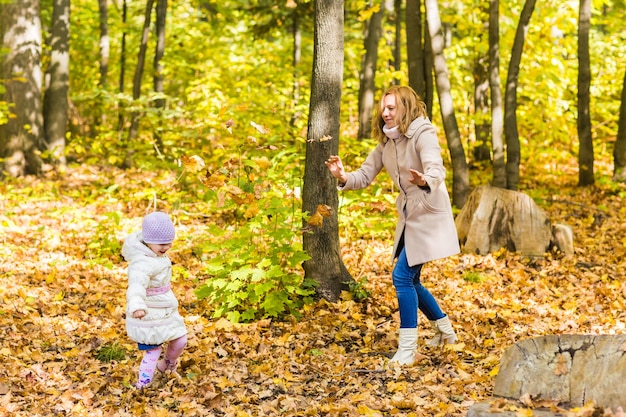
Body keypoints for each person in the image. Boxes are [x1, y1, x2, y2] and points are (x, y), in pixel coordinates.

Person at [325, 85, 460, 365]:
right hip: (410, 215)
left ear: (406, 108)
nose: (385, 113)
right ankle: (446, 331)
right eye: (383, 108)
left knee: (401, 277)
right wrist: (341, 175)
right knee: (411, 279)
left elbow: (436, 167)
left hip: (429, 212)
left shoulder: (423, 132)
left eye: (391, 108)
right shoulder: (386, 143)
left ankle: (408, 349)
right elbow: (364, 175)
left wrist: (425, 179)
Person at [122, 211, 188, 388]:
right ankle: (143, 384)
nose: (166, 247)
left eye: (169, 243)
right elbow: (136, 284)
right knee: (153, 349)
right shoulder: (142, 262)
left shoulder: (156, 254)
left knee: (180, 339)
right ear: (148, 240)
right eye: (161, 244)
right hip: (148, 312)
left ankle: (167, 364)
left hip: (165, 308)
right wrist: (136, 304)